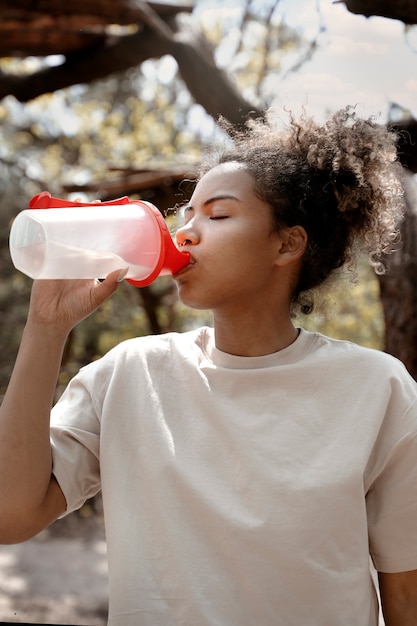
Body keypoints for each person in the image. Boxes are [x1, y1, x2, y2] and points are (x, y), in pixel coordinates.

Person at [0, 106, 416, 626]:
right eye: (186, 215)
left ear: (288, 244)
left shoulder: (377, 388)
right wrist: (45, 327)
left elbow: (405, 593)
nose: (185, 234)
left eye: (217, 215)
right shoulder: (128, 375)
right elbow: (10, 515)